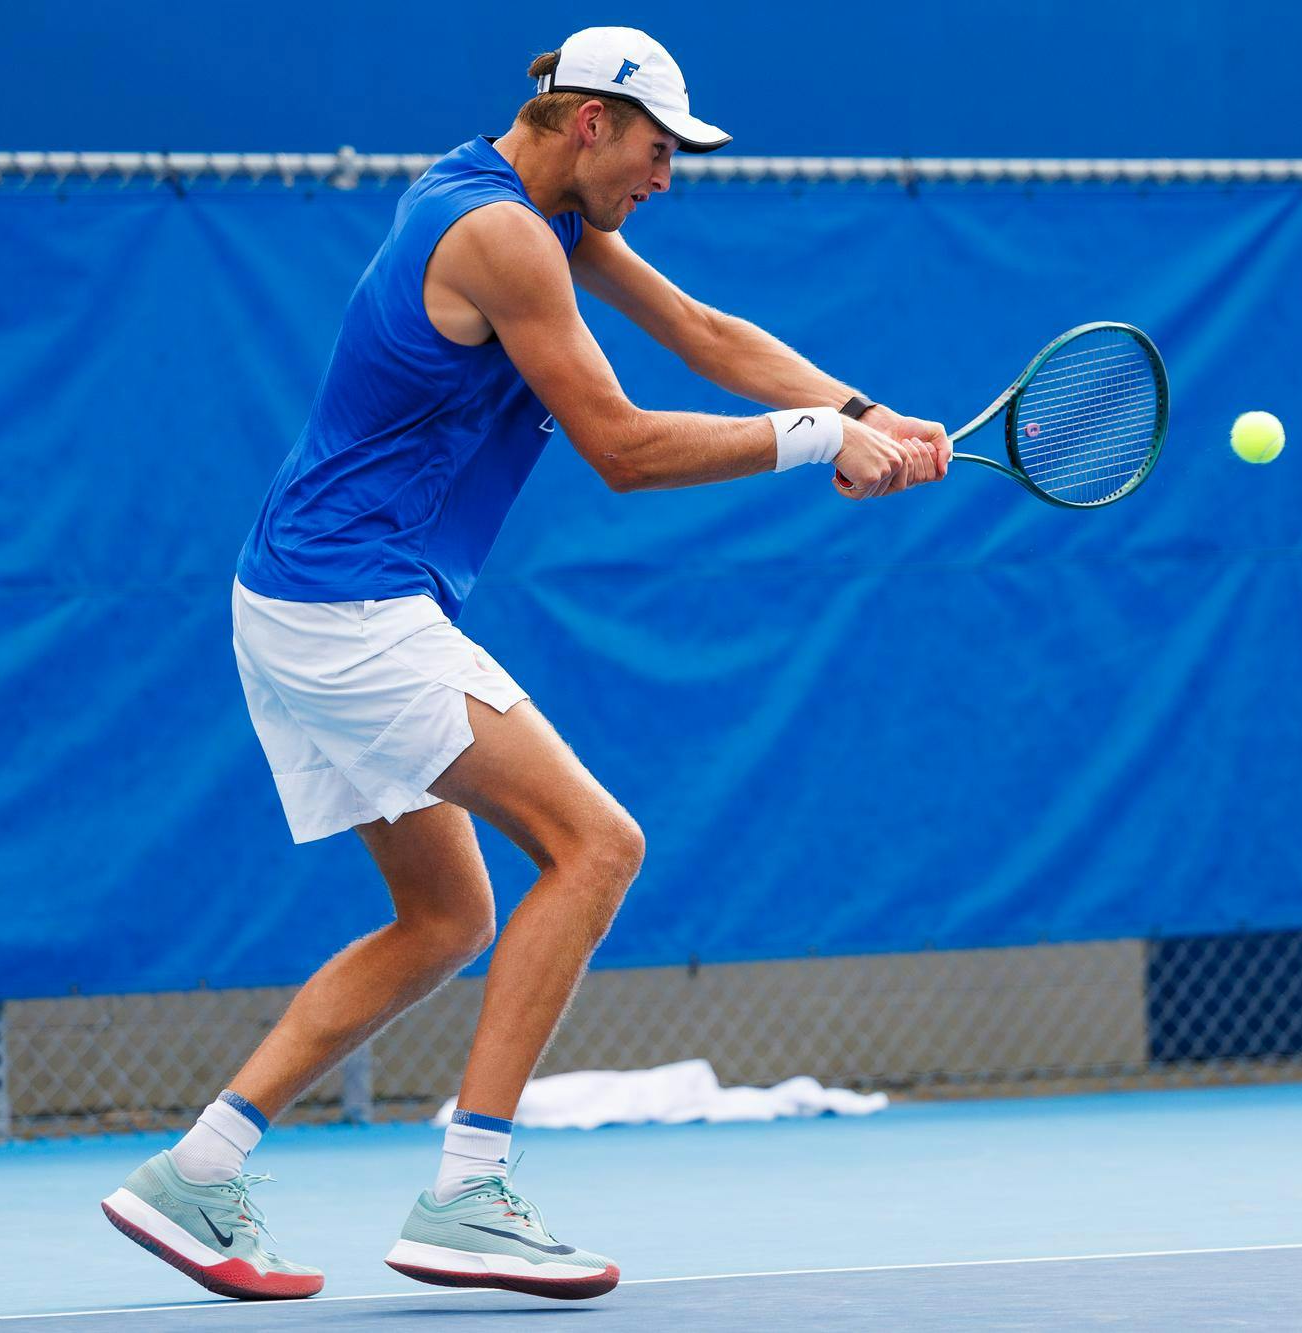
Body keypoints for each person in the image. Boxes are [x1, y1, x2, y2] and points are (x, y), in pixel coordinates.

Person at [99, 25, 949, 1304]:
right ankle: (467, 1196)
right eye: (659, 151)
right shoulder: (500, 235)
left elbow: (707, 331)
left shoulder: (531, 210)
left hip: (298, 597)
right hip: (351, 605)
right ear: (592, 123)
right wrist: (811, 438)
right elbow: (620, 445)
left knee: (447, 917)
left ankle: (195, 1172)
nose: (666, 178)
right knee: (597, 846)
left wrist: (868, 417)